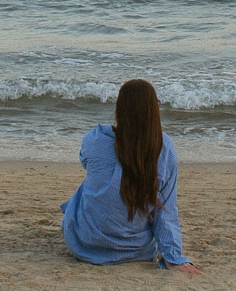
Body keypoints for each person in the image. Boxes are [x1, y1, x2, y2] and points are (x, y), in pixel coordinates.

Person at [61, 78, 198, 271]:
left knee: (89, 186)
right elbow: (166, 210)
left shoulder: (94, 138)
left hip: (85, 244)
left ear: (119, 109)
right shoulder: (164, 148)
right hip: (136, 251)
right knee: (154, 196)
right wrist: (173, 257)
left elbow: (85, 161)